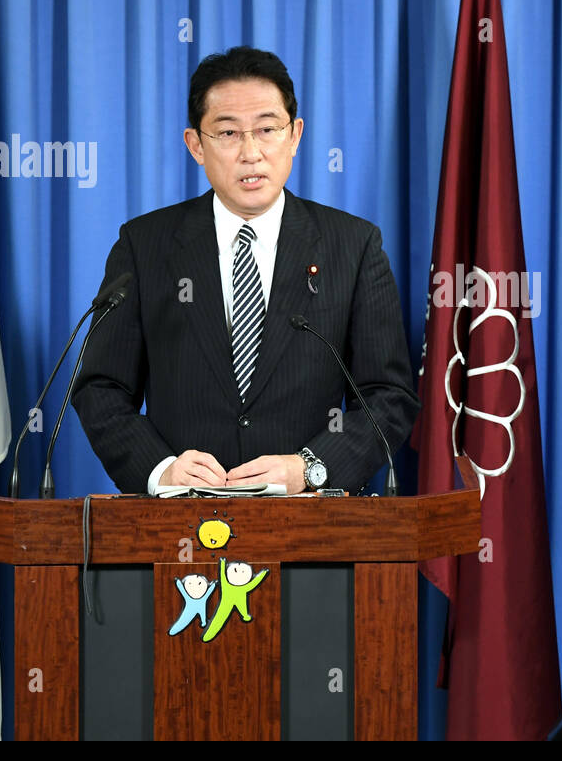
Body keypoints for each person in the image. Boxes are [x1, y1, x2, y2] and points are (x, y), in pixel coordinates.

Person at [71, 46, 419, 496]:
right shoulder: (144, 245)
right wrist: (161, 470)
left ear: (294, 135)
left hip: (309, 519)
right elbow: (101, 387)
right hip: (180, 517)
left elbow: (387, 396)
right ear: (196, 145)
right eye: (228, 133)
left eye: (267, 129)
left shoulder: (353, 246)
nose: (251, 153)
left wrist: (312, 468)